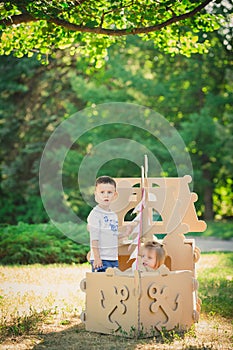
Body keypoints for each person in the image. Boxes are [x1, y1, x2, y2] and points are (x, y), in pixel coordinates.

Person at [87, 176, 130, 272]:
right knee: (102, 285)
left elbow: (112, 235)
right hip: (102, 259)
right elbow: (94, 239)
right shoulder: (95, 215)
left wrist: (124, 234)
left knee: (112, 284)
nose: (106, 195)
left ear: (115, 195)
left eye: (109, 192)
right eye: (102, 192)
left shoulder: (113, 215)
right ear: (96, 195)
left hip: (113, 258)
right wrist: (97, 258)